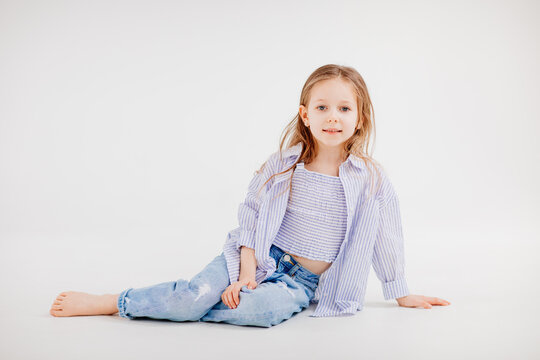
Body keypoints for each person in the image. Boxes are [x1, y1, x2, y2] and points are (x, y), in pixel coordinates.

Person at [49, 64, 450, 327]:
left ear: (359, 117)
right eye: (323, 107)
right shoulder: (284, 164)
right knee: (199, 293)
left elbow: (387, 237)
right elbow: (253, 219)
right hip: (255, 257)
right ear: (305, 115)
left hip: (301, 284)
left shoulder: (371, 180)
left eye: (344, 109)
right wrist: (245, 276)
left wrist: (401, 291)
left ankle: (183, 308)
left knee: (263, 312)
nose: (333, 116)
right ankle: (117, 301)